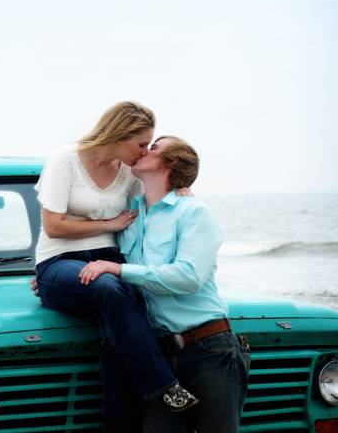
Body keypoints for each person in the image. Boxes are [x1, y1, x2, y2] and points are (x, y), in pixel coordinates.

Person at [34, 102, 198, 433]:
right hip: (59, 262)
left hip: (110, 260)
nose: (143, 153)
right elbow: (54, 226)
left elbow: (155, 199)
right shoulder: (65, 160)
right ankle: (163, 385)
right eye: (140, 144)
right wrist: (109, 222)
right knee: (109, 288)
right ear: (120, 134)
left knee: (118, 325)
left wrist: (183, 191)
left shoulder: (129, 172)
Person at [79, 136, 250, 433]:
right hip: (157, 357)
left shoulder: (194, 213)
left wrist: (119, 270)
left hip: (208, 349)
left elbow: (188, 277)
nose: (144, 151)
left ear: (170, 163)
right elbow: (96, 247)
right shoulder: (130, 215)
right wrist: (54, 271)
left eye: (154, 147)